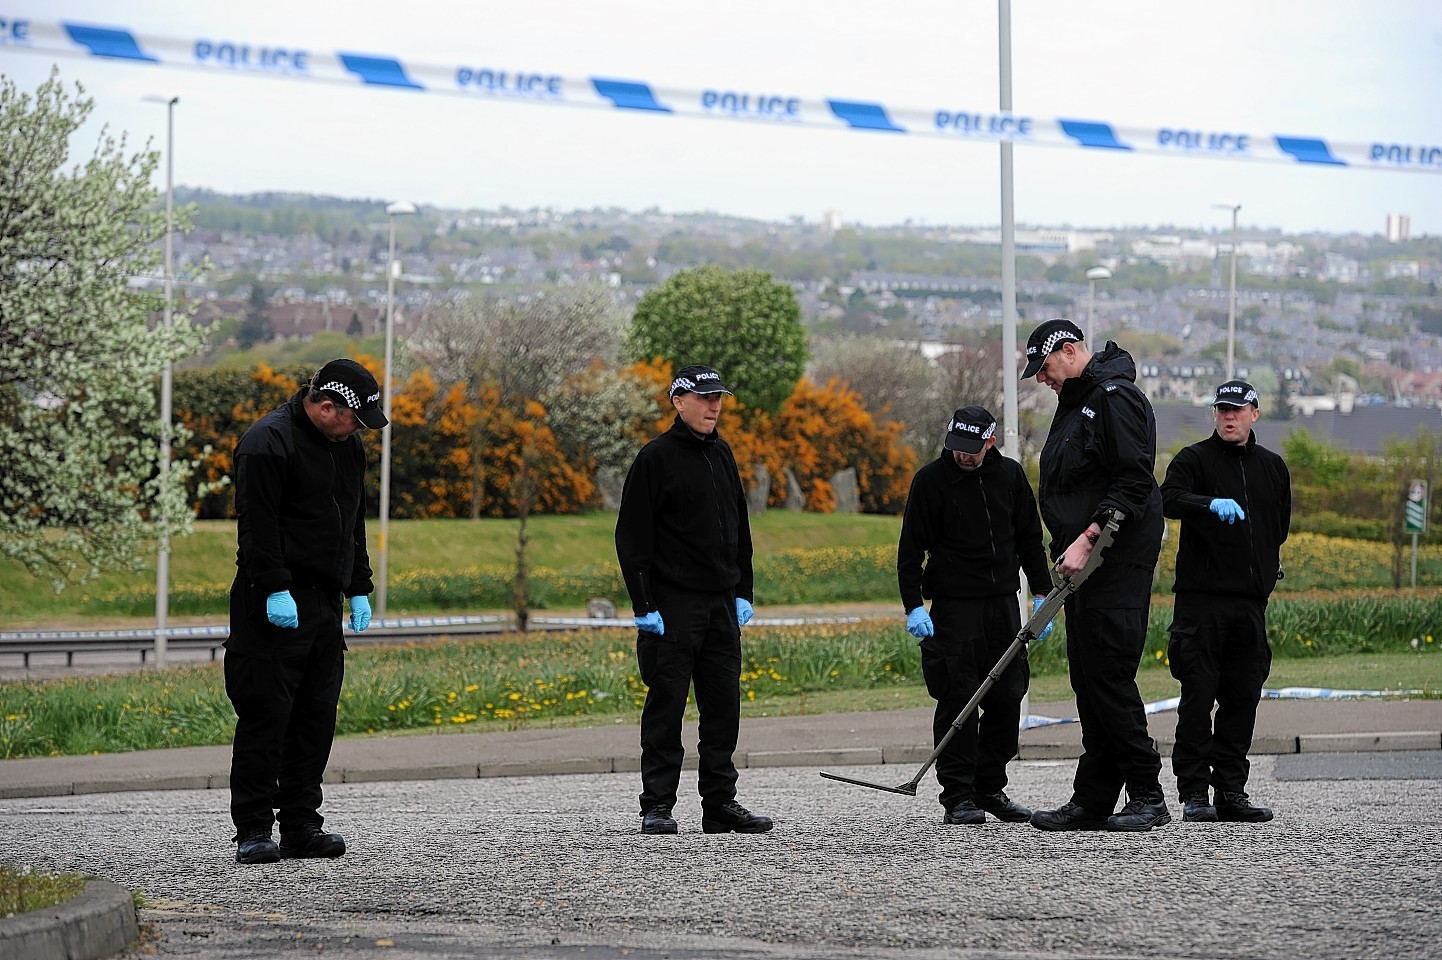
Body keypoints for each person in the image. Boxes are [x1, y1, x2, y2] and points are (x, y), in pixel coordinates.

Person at [225, 358, 386, 864]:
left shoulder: (346, 446)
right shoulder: (266, 443)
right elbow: (257, 527)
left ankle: (300, 824)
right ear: (324, 405)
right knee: (266, 716)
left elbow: (352, 522)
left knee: (315, 718)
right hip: (270, 600)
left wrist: (358, 586)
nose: (358, 430)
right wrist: (274, 588)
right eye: (354, 419)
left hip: (323, 601)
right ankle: (253, 828)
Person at [1022, 318, 1170, 832]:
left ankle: (1147, 793)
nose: (1041, 380)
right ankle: (1093, 798)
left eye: (1043, 368)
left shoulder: (1114, 397)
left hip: (1114, 556)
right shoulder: (1078, 401)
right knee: (1087, 679)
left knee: (1108, 672)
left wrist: (1086, 539)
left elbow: (1133, 478)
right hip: (1083, 561)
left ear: (1068, 351)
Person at [614, 364, 773, 836]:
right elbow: (632, 538)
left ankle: (720, 804)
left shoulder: (723, 454)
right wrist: (644, 605)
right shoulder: (655, 458)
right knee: (667, 706)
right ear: (678, 402)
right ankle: (657, 805)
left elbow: (739, 528)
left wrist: (743, 590)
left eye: (718, 397)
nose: (714, 406)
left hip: (721, 603)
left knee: (723, 706)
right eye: (704, 398)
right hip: (673, 605)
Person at [897, 405, 1055, 825]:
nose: (963, 456)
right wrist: (913, 605)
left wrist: (1042, 594)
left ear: (991, 441)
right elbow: (910, 551)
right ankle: (958, 795)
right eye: (957, 448)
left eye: (972, 449)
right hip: (954, 608)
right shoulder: (931, 480)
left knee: (1008, 695)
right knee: (959, 699)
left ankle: (989, 787)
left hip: (1003, 603)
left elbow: (1029, 540)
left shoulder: (1010, 477)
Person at [1160, 379, 1290, 823]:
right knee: (1198, 697)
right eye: (1221, 410)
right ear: (1213, 415)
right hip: (1201, 603)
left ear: (1255, 413)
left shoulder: (1272, 466)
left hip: (1250, 604)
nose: (1228, 417)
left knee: (1242, 697)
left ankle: (1231, 790)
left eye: (1237, 410)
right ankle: (1194, 790)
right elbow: (1168, 500)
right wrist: (1207, 503)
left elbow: (1280, 524)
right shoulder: (1194, 459)